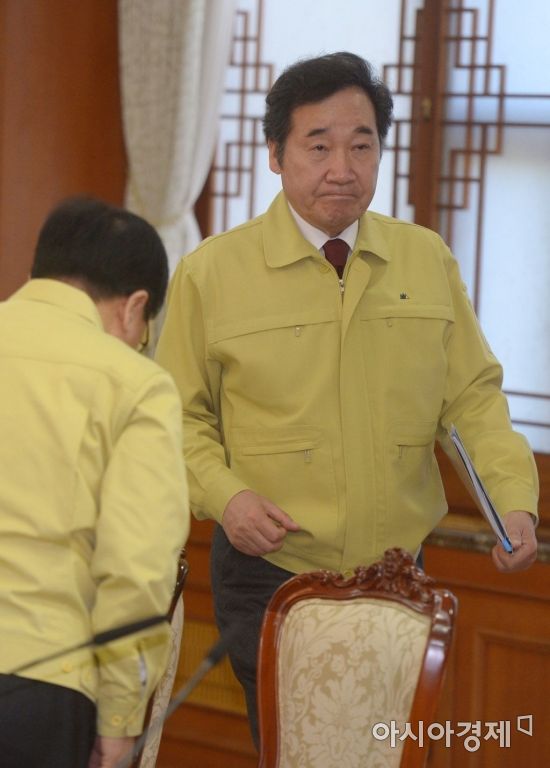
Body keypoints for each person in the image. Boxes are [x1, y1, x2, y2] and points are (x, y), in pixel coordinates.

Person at [155, 52, 538, 745]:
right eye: (319, 146)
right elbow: (178, 417)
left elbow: (473, 401)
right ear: (276, 154)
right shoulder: (211, 273)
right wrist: (227, 499)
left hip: (398, 574)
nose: (343, 168)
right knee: (298, 749)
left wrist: (512, 500)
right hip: (271, 572)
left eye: (362, 146)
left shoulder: (425, 259)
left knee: (383, 748)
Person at [0, 197, 190, 768]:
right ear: (135, 308)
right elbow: (136, 570)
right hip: (39, 681)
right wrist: (118, 721)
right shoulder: (136, 385)